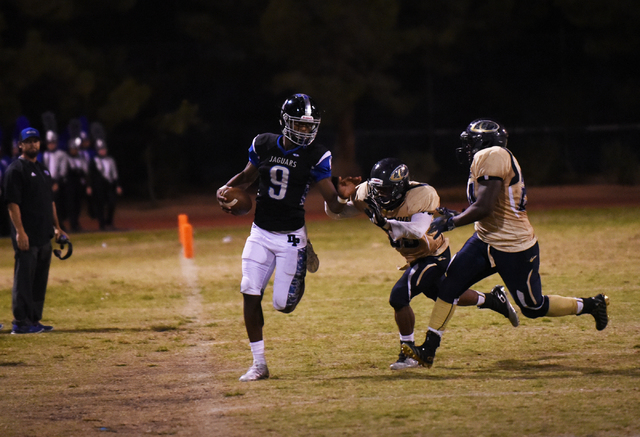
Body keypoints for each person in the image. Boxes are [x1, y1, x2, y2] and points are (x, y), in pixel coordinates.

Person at [403, 119, 610, 368]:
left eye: (471, 142)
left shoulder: (494, 155)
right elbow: (487, 204)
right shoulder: (489, 157)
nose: (467, 147)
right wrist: (454, 214)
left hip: (514, 246)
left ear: (485, 142)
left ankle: (591, 304)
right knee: (448, 286)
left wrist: (452, 223)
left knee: (533, 307)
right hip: (484, 239)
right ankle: (428, 350)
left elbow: (485, 206)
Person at [216, 93, 361, 381]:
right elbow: (247, 177)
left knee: (283, 305)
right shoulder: (264, 144)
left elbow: (331, 202)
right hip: (260, 231)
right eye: (300, 125)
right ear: (285, 121)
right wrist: (225, 189)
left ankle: (302, 259)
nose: (305, 131)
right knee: (249, 289)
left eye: (310, 126)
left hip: (291, 236)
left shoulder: (317, 154)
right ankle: (259, 364)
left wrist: (352, 200)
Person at [325, 158, 519, 370]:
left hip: (434, 254)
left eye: (387, 190)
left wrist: (383, 222)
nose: (381, 195)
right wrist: (339, 199)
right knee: (444, 294)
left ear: (401, 187)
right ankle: (493, 300)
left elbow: (417, 231)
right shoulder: (368, 192)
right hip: (412, 257)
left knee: (399, 296)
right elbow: (337, 214)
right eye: (379, 190)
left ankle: (407, 353)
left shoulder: (422, 195)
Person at [3, 127, 68, 334]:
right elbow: (13, 204)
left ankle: (33, 319)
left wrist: (57, 227)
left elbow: (50, 203)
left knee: (39, 279)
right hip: (27, 235)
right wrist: (20, 232)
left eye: (35, 141)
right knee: (24, 278)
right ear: (20, 145)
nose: (33, 145)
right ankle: (21, 322)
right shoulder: (16, 170)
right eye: (28, 141)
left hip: (43, 235)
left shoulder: (43, 170)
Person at [88, 139, 122, 230]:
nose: (102, 151)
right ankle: (102, 225)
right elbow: (91, 174)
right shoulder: (94, 160)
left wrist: (117, 185)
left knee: (112, 203)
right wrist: (89, 186)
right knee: (100, 205)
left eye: (104, 149)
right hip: (98, 186)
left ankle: (109, 222)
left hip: (109, 185)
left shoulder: (110, 160)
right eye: (100, 149)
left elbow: (114, 173)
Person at [40, 130, 69, 230]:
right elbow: (43, 169)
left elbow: (63, 170)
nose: (51, 145)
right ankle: (51, 225)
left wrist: (57, 183)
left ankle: (60, 224)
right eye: (49, 143)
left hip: (59, 183)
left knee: (59, 205)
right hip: (48, 182)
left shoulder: (61, 154)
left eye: (52, 143)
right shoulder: (45, 154)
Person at [65, 138, 89, 232]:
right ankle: (72, 224)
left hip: (78, 185)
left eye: (75, 149)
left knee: (78, 205)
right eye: (72, 149)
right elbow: (64, 172)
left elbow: (85, 171)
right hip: (70, 185)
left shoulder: (80, 158)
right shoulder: (66, 158)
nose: (74, 150)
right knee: (71, 205)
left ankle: (76, 223)